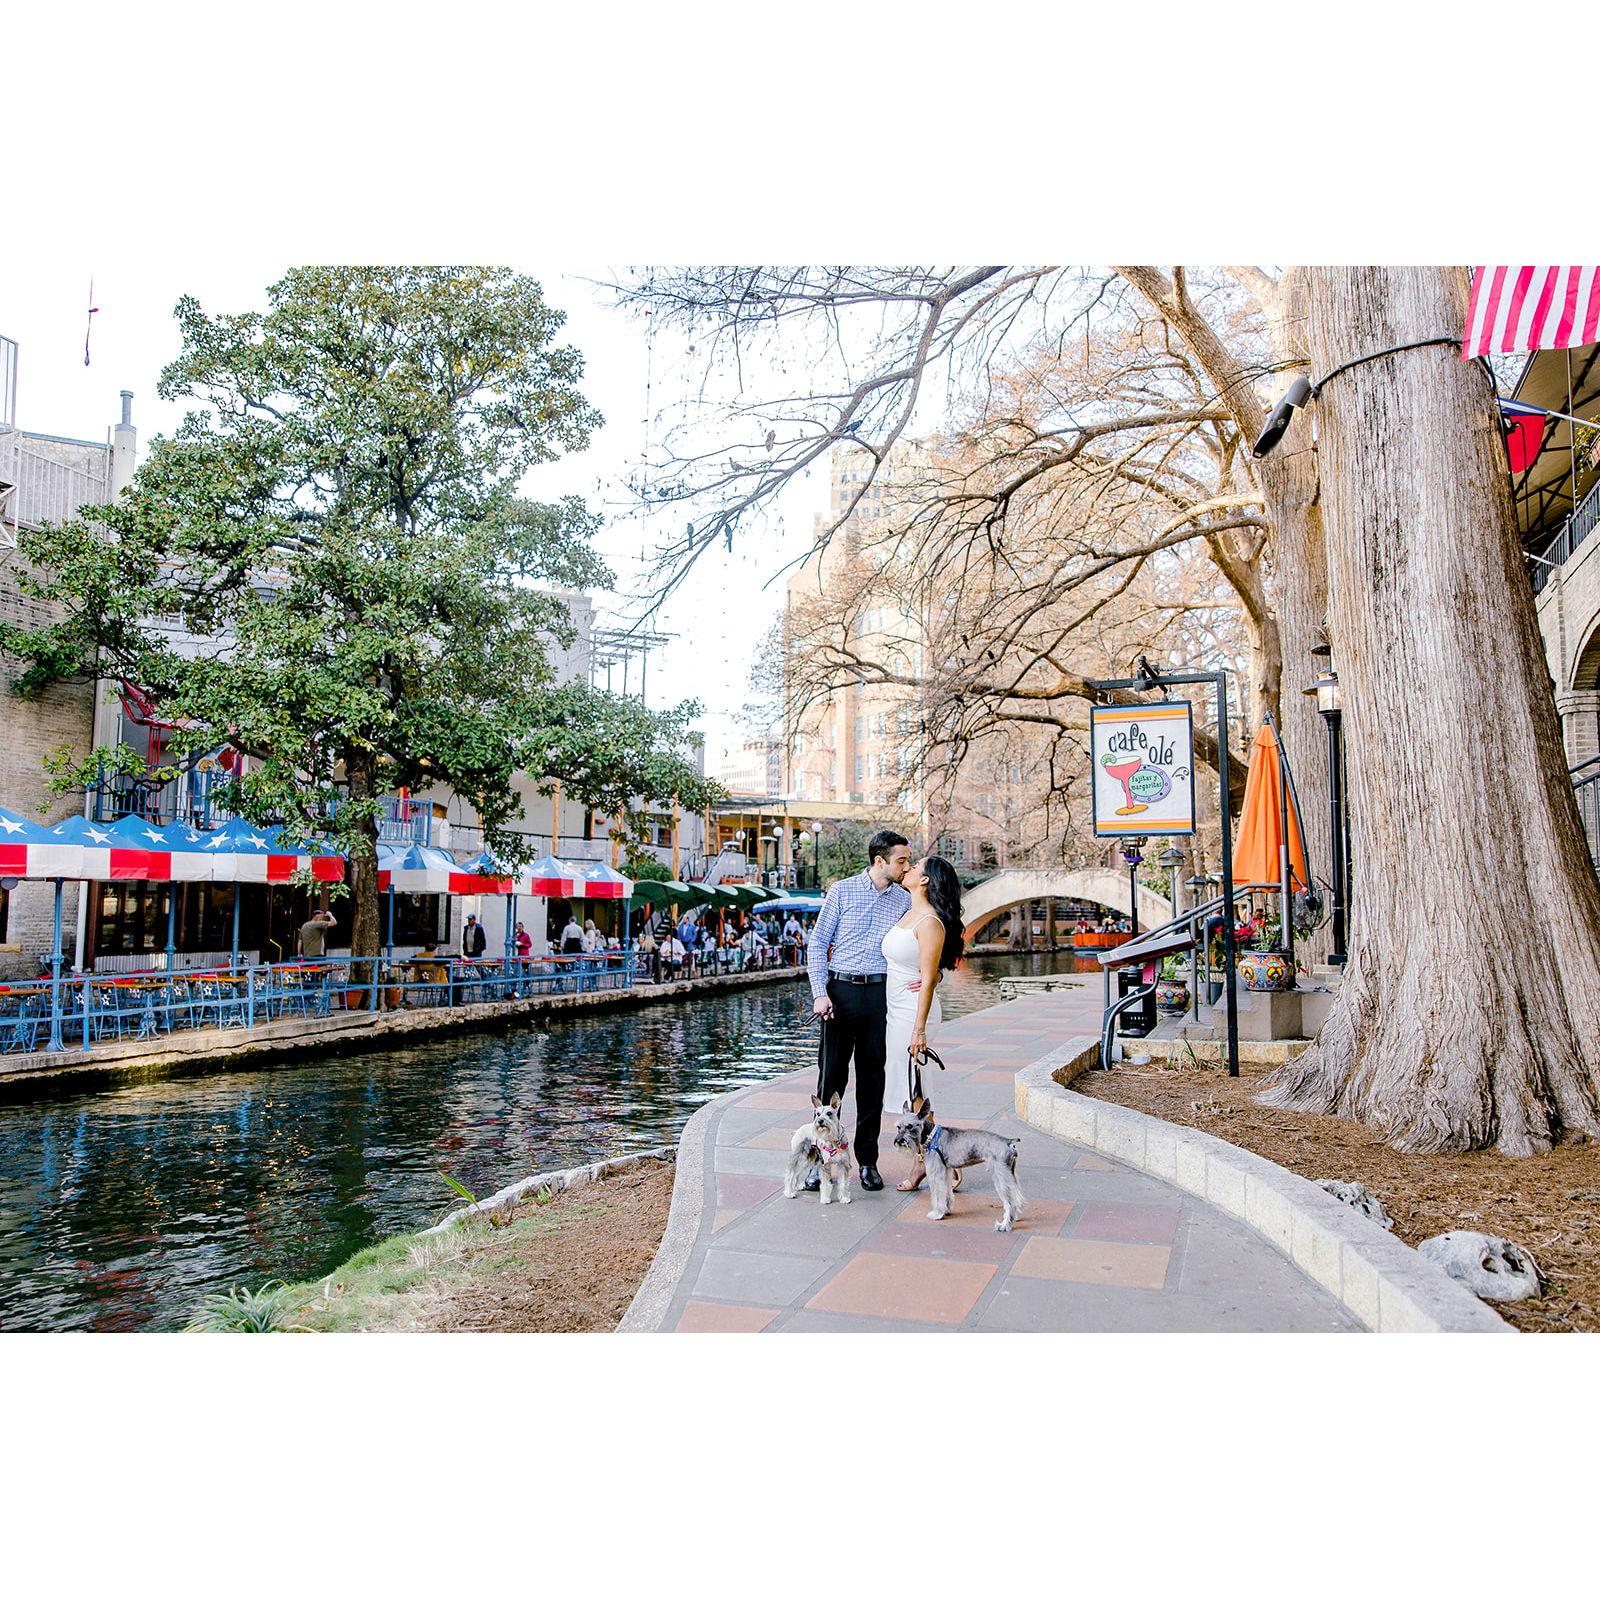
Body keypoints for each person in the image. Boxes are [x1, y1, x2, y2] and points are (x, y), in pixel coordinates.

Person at [806, 830, 912, 1191]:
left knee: (872, 1081)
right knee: (830, 1080)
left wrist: (927, 976)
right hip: (839, 994)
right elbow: (818, 943)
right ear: (880, 860)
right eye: (901, 860)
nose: (906, 866)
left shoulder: (904, 900)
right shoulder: (842, 891)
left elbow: (917, 942)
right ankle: (820, 1161)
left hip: (880, 996)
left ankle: (868, 1161)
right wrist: (820, 993)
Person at [884, 856, 966, 1192]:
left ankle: (933, 1161)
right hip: (895, 1010)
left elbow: (929, 977)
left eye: (916, 866)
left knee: (914, 1091)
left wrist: (919, 1030)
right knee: (910, 1090)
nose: (909, 868)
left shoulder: (930, 921)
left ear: (926, 880)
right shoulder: (908, 911)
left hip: (912, 1013)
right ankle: (935, 1158)